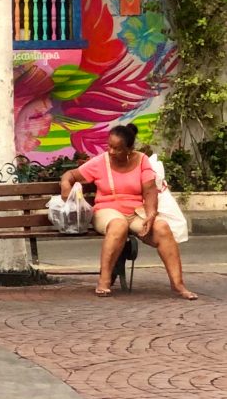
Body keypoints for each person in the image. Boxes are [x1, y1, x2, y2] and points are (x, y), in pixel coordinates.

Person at [60, 122, 197, 300]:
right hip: (107, 210)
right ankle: (104, 280)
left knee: (162, 228)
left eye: (117, 148)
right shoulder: (101, 161)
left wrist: (151, 215)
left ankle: (178, 285)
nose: (110, 151)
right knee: (118, 225)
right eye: (109, 146)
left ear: (129, 149)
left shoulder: (142, 160)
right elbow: (70, 175)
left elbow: (150, 191)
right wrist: (65, 184)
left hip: (135, 213)